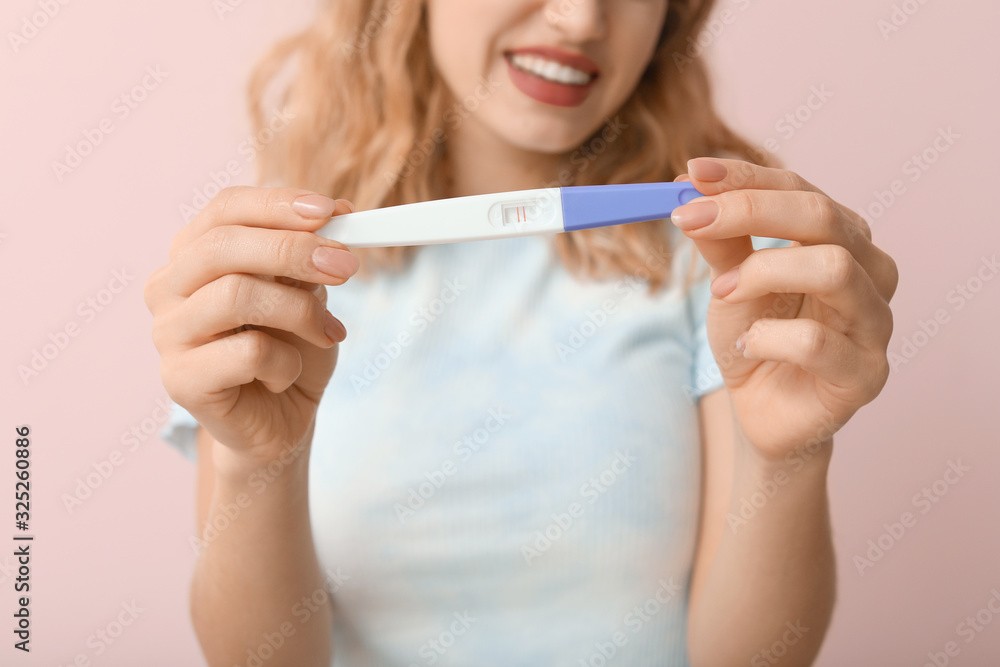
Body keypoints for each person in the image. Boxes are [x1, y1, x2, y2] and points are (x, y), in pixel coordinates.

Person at [144, 1, 898, 665]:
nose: (581, 19)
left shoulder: (728, 260)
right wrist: (257, 465)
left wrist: (788, 458)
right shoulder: (276, 270)